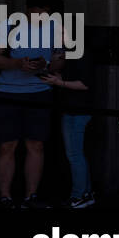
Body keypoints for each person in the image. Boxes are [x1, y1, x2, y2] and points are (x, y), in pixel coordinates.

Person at [0, 0, 64, 208]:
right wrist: (18, 64)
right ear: (29, 9)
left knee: (36, 145)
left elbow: (60, 59)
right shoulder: (9, 25)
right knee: (6, 145)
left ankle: (31, 196)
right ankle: (5, 196)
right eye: (39, 12)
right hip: (8, 92)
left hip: (40, 91)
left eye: (47, 13)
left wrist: (46, 64)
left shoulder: (55, 28)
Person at [41, 27, 96, 208]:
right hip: (72, 109)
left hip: (78, 111)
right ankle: (85, 193)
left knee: (74, 154)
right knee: (76, 154)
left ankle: (79, 195)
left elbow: (84, 84)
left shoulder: (81, 54)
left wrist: (59, 82)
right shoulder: (69, 53)